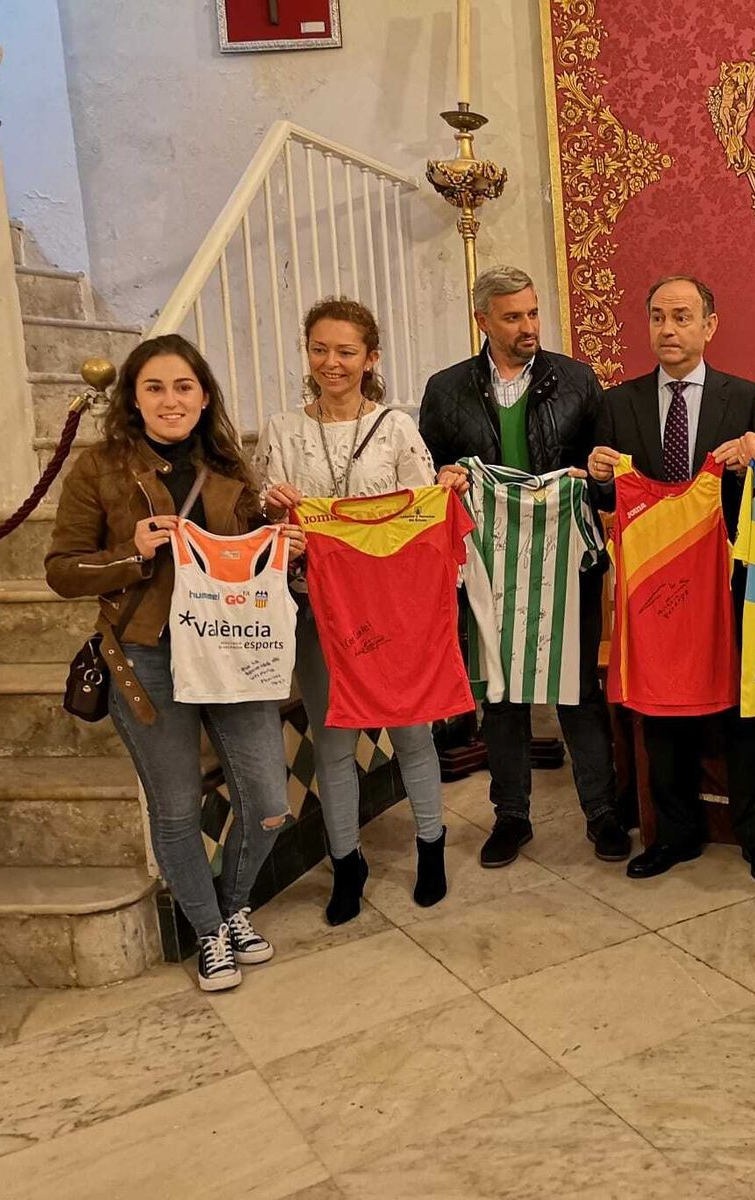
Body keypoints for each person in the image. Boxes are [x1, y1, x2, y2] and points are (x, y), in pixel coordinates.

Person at [47, 334, 304, 992]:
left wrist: (284, 542)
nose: (171, 400)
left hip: (231, 653)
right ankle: (209, 930)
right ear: (133, 397)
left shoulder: (229, 466)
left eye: (183, 387)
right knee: (177, 809)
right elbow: (61, 570)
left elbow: (248, 556)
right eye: (155, 387)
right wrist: (129, 553)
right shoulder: (97, 469)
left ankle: (233, 904)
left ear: (204, 394)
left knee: (271, 803)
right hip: (147, 656)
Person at [420, 266, 630, 867]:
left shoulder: (577, 381)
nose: (528, 327)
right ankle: (511, 816)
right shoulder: (446, 389)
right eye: (513, 317)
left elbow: (606, 483)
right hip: (488, 561)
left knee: (579, 689)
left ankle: (602, 812)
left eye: (534, 313)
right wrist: (445, 480)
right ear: (482, 320)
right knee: (502, 693)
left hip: (565, 557)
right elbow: (426, 474)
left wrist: (595, 474)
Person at [254, 298, 452, 925]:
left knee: (411, 733)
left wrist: (445, 495)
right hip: (316, 610)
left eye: (345, 351)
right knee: (333, 742)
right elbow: (260, 529)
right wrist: (274, 514)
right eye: (320, 349)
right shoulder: (283, 430)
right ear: (307, 355)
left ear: (371, 358)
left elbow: (422, 523)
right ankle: (347, 863)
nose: (331, 363)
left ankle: (431, 848)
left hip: (390, 612)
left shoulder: (396, 428)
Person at [587, 276, 755, 883]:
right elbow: (608, 495)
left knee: (745, 715)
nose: (668, 330)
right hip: (656, 588)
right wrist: (597, 473)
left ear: (709, 325)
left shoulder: (745, 396)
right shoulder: (618, 403)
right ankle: (673, 835)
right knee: (662, 713)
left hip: (728, 581)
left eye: (681, 317)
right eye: (657, 317)